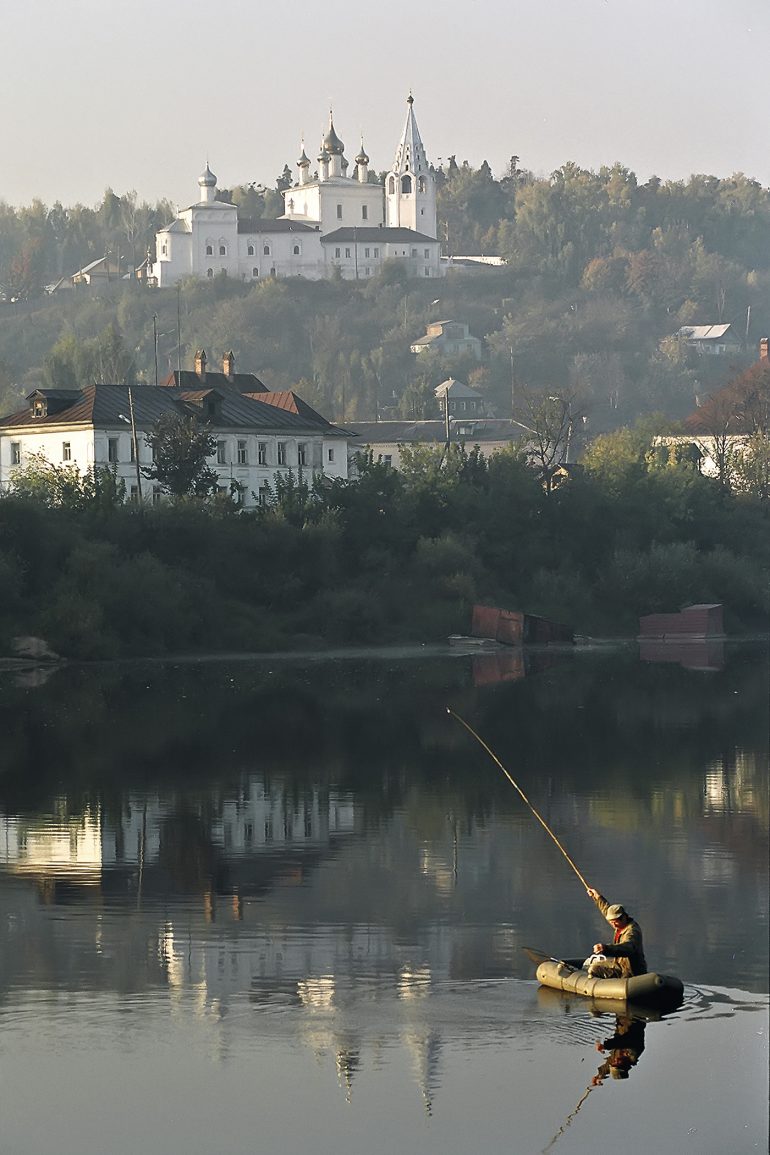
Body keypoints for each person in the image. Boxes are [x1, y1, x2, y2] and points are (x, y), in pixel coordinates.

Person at [585, 887, 647, 979]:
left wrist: (605, 948)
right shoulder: (620, 924)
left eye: (615, 921)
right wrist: (597, 897)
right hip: (619, 964)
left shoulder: (632, 931)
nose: (613, 924)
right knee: (593, 965)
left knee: (594, 969)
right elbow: (606, 909)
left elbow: (628, 948)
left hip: (631, 971)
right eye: (611, 922)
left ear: (623, 918)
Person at [591, 1015, 647, 1085]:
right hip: (634, 1017)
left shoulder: (616, 1059)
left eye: (613, 1063)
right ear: (625, 1065)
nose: (615, 1060)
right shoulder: (635, 1051)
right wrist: (605, 1046)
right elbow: (624, 1041)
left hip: (621, 1018)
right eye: (618, 1063)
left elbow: (607, 1067)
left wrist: (598, 1077)